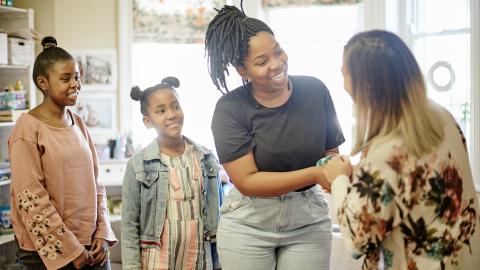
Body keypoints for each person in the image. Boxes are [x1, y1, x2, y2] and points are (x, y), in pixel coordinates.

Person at [204, 3, 345, 270]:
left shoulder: (316, 91)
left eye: (278, 51)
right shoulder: (230, 109)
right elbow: (247, 181)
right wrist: (315, 175)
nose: (277, 63)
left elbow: (330, 154)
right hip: (249, 223)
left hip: (308, 220)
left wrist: (334, 170)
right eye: (261, 61)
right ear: (241, 70)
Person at [327, 30, 480, 269]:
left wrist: (338, 179)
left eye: (344, 73)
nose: (343, 83)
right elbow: (415, 179)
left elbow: (357, 239)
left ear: (366, 86)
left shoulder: (386, 151)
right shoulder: (441, 117)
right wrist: (364, 176)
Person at [8, 36, 117, 270]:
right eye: (66, 78)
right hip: (48, 251)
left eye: (77, 76)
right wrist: (71, 250)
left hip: (92, 246)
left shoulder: (78, 123)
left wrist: (102, 233)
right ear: (43, 82)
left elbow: (97, 184)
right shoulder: (27, 129)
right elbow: (31, 198)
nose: (75, 84)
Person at [121, 77, 222, 269]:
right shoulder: (137, 165)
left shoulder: (206, 158)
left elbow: (218, 217)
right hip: (157, 260)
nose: (172, 114)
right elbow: (129, 227)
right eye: (161, 111)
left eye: (176, 107)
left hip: (199, 258)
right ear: (147, 121)